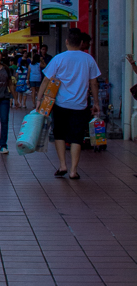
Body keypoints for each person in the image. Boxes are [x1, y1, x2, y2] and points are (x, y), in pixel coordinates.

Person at [36, 28, 100, 180]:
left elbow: (46, 80)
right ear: (81, 43)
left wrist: (39, 99)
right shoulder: (88, 59)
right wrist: (96, 102)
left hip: (60, 104)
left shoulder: (58, 58)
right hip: (80, 105)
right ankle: (73, 170)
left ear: (67, 42)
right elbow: (94, 83)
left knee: (59, 134)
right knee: (77, 137)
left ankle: (63, 165)